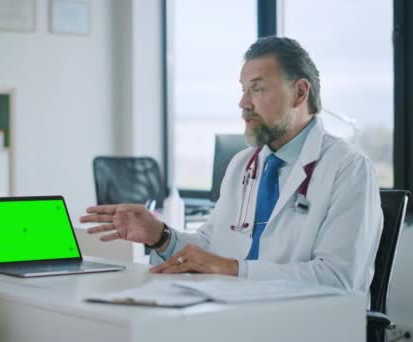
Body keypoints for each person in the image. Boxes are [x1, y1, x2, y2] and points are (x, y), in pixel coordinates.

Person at [80, 36, 383, 294]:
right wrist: (160, 236)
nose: (243, 103)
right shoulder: (243, 165)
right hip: (235, 313)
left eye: (258, 88)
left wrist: (233, 269)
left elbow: (339, 280)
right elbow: (212, 244)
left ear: (300, 93)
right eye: (243, 89)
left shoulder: (348, 168)